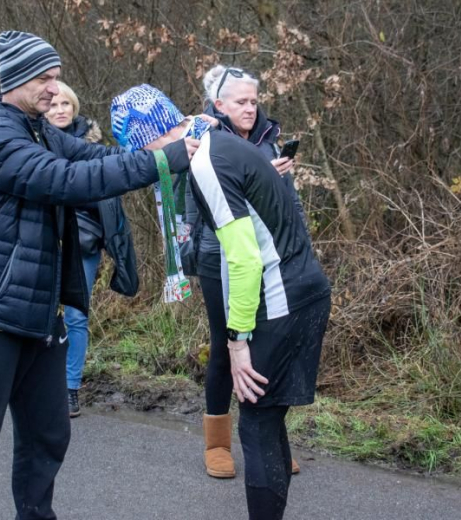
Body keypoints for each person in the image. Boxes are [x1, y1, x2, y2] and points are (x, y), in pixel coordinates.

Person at [0, 31, 197, 520]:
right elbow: (65, 181)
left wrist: (168, 143)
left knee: (48, 434)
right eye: (45, 78)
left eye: (58, 78)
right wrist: (164, 161)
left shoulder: (37, 129)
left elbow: (93, 158)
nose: (54, 88)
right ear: (17, 79)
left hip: (41, 311)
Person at [111, 84, 331, 520]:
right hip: (305, 288)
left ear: (149, 139)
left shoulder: (207, 163)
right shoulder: (216, 139)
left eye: (140, 153)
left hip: (281, 295)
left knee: (255, 424)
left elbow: (245, 260)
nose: (145, 166)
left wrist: (236, 341)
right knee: (267, 420)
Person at [186, 64, 307, 478]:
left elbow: (284, 208)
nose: (251, 109)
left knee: (268, 345)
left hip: (270, 258)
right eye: (241, 102)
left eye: (254, 101)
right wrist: (254, 177)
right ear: (218, 104)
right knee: (226, 345)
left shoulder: (269, 142)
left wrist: (274, 180)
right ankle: (217, 443)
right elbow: (200, 201)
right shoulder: (202, 140)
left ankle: (269, 440)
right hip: (219, 256)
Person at [45, 81, 139, 418]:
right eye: (53, 104)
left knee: (76, 316)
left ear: (75, 108)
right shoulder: (34, 143)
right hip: (42, 240)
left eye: (65, 104)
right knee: (41, 315)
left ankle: (70, 389)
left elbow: (99, 194)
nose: (59, 110)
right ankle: (41, 385)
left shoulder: (93, 144)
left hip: (83, 242)